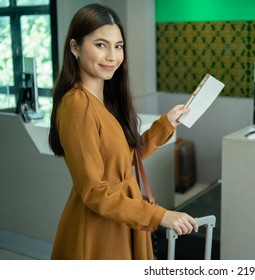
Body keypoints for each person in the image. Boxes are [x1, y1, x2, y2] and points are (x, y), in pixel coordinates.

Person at [48, 4, 198, 260]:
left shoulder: (105, 99)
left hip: (122, 217)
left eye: (118, 46)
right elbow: (94, 192)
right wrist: (161, 215)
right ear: (75, 47)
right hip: (99, 228)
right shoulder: (77, 104)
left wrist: (167, 124)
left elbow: (124, 158)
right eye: (100, 45)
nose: (112, 57)